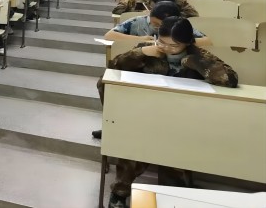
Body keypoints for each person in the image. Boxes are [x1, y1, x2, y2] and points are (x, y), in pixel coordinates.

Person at [101, 16, 237, 208]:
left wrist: (194, 62)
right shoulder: (148, 50)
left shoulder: (199, 55)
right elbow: (114, 68)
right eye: (162, 42)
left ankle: (172, 194)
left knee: (176, 154)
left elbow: (230, 79)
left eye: (174, 45)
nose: (166, 48)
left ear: (188, 42)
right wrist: (140, 52)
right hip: (146, 115)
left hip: (184, 120)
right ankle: (120, 192)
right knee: (134, 144)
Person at [104, 1, 210, 45]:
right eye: (155, 24)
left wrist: (176, 43)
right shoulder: (137, 21)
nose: (158, 27)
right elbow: (109, 35)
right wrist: (140, 39)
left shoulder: (179, 26)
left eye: (162, 25)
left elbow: (207, 41)